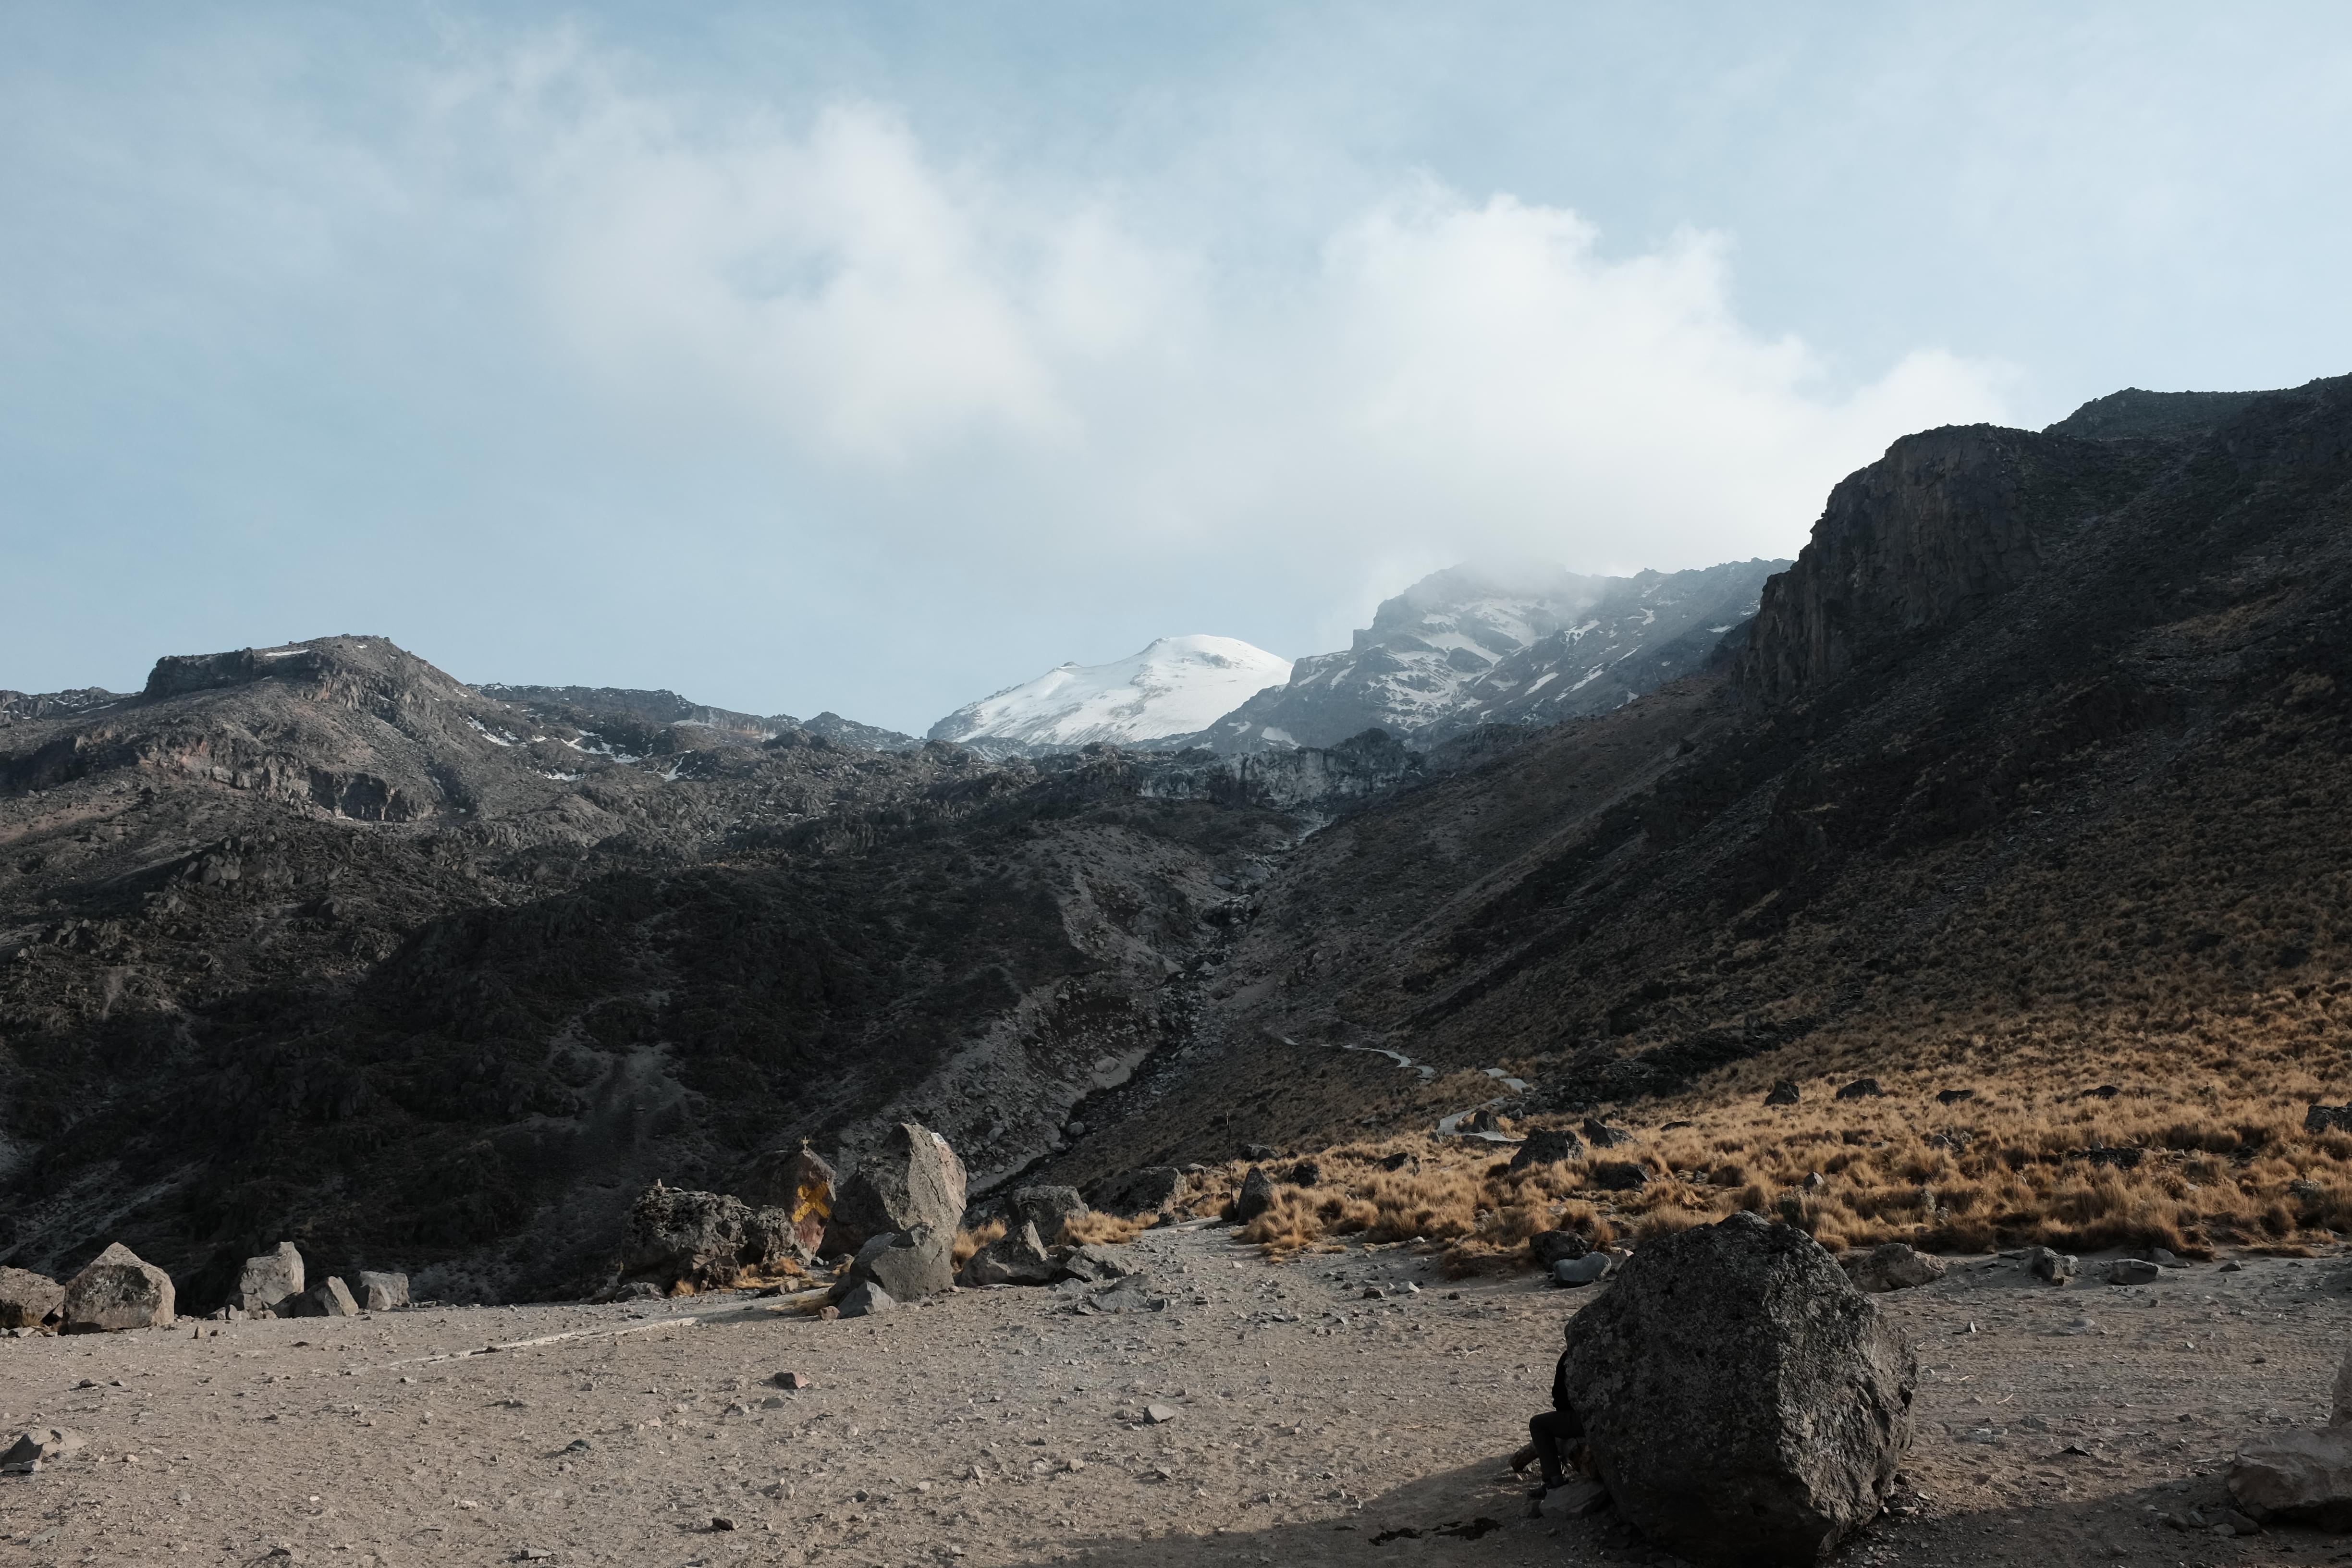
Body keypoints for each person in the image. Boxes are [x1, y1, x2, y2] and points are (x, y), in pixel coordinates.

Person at [1524, 1320, 1586, 1495]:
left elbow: (1559, 1399)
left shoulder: (1570, 1358)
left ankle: (1554, 1480)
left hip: (1583, 1420)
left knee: (1538, 1424)